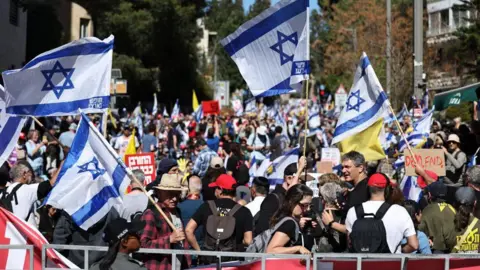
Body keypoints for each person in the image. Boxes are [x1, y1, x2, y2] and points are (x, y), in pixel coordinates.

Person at [185, 174, 253, 261]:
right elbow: (248, 240)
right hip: (233, 263)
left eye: (215, 188)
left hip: (209, 261)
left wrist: (200, 252)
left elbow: (188, 230)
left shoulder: (206, 206)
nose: (214, 191)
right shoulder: (244, 211)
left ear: (220, 190)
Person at [345, 173, 418, 253]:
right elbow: (413, 245)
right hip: (391, 263)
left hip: (361, 264)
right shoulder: (400, 211)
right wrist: (400, 251)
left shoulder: (353, 211)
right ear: (387, 190)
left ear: (368, 189)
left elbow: (350, 244)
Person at [140, 174, 190, 269]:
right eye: (170, 194)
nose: (174, 198)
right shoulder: (151, 214)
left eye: (176, 194)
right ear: (159, 193)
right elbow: (143, 244)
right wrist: (169, 240)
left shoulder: (177, 212)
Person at [255, 157, 306, 235]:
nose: (304, 185)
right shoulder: (273, 199)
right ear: (289, 179)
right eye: (301, 181)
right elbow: (263, 229)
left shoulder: (291, 199)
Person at [265, 184, 313, 254]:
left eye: (309, 205)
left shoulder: (288, 220)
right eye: (304, 205)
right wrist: (298, 248)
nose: (308, 209)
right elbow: (271, 251)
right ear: (292, 202)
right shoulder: (289, 223)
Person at [418, 180, 456, 253]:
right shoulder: (452, 209)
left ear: (429, 195)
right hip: (451, 250)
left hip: (434, 251)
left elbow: (421, 229)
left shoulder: (427, 210)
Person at [451, 187, 480, 253]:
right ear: (475, 203)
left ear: (454, 204)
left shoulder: (448, 223)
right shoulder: (479, 224)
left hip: (454, 263)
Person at [178, 174, 204, 247]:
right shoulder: (206, 206)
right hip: (201, 246)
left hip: (184, 246)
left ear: (188, 188)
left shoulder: (179, 207)